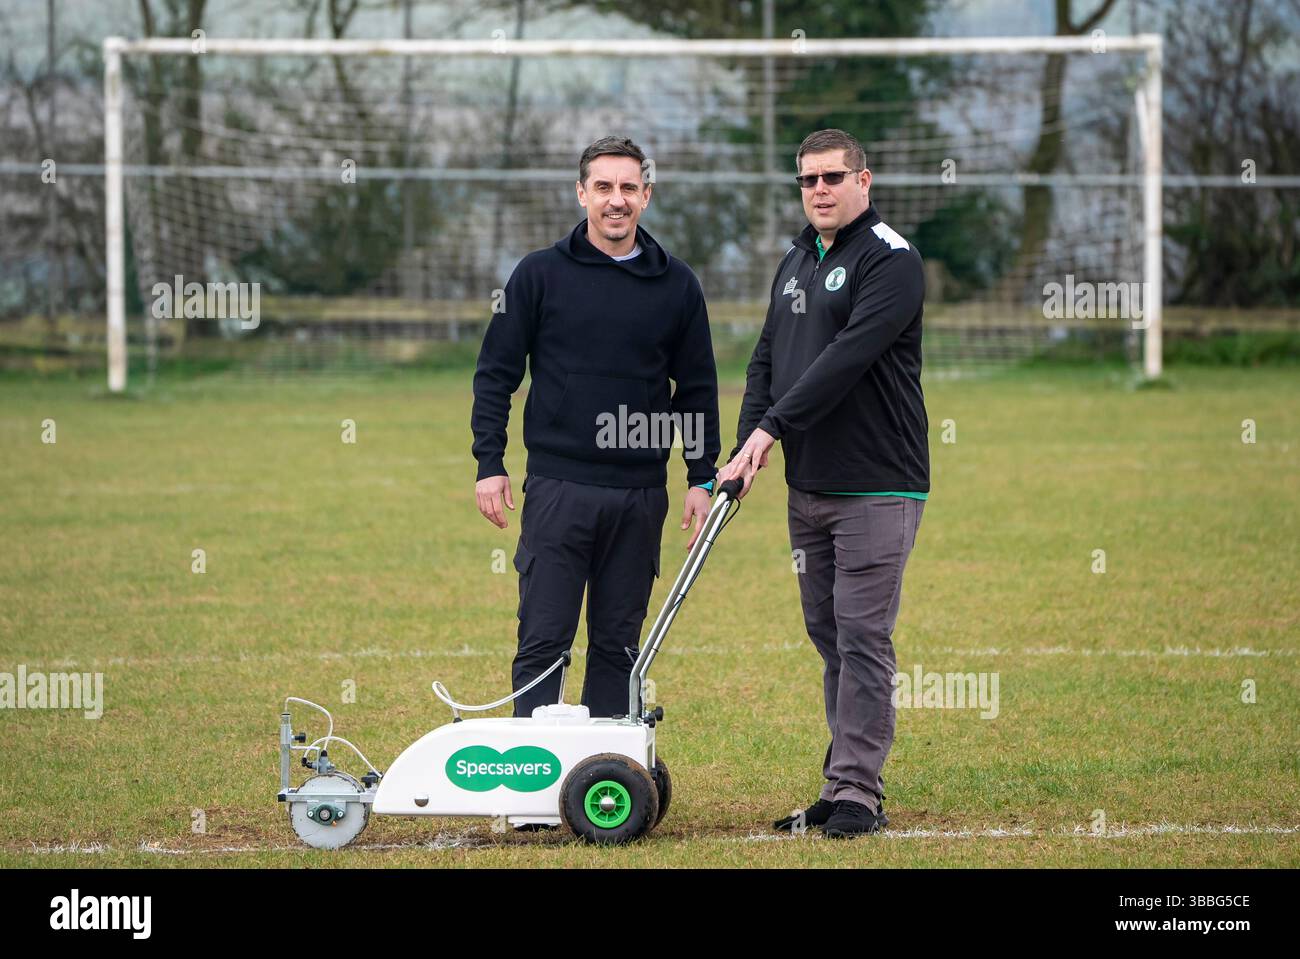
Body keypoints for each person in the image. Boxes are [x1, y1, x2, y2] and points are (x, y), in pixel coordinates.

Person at [717, 129, 929, 838]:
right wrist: (746, 444)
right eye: (808, 180)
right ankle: (841, 778)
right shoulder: (795, 260)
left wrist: (772, 427)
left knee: (863, 634)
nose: (820, 190)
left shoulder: (891, 261)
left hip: (878, 484)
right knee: (829, 633)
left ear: (864, 180)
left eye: (834, 177)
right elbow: (767, 359)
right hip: (809, 488)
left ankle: (858, 795)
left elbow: (846, 360)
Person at [471, 135, 720, 721]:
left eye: (628, 188)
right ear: (581, 193)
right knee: (543, 643)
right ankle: (534, 787)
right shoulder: (537, 275)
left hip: (640, 494)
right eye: (603, 187)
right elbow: (494, 375)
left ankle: (604, 777)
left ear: (647, 196)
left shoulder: (678, 284)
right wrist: (490, 464)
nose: (616, 200)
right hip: (559, 488)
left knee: (618, 646)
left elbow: (699, 389)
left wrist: (701, 477)